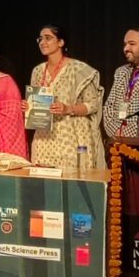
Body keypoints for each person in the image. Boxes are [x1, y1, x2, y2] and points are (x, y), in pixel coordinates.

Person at [22, 25, 104, 169]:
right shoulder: (38, 71)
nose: (42, 42)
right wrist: (29, 106)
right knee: (43, 178)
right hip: (44, 138)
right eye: (40, 39)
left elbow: (93, 105)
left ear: (61, 42)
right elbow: (37, 102)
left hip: (72, 136)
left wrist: (68, 108)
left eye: (48, 38)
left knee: (71, 179)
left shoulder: (78, 69)